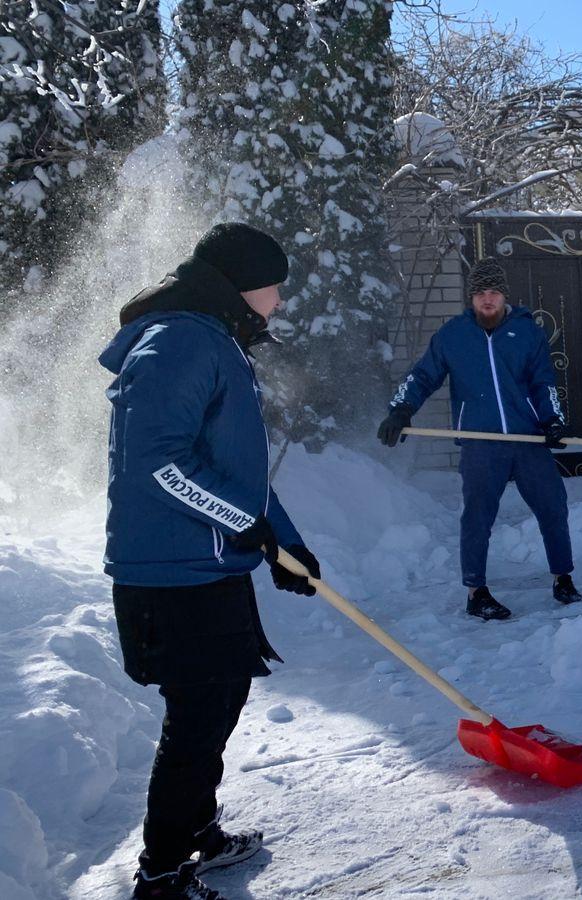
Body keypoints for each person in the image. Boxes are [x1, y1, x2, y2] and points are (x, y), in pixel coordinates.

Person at [101, 222, 321, 900]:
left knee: (222, 700)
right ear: (240, 285)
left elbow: (236, 473)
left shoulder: (212, 339)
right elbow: (159, 462)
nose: (279, 301)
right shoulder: (181, 341)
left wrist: (281, 540)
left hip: (209, 566)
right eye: (273, 286)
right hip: (171, 574)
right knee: (196, 720)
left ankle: (197, 832)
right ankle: (161, 873)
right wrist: (246, 525)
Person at [378, 260, 582, 617]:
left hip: (526, 440)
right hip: (481, 442)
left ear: (504, 295)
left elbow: (543, 382)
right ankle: (476, 592)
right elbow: (423, 376)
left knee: (553, 507)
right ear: (471, 297)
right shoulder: (452, 336)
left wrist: (553, 420)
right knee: (477, 517)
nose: (487, 300)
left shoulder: (527, 333)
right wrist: (401, 409)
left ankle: (563, 578)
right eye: (480, 293)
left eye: (494, 292)